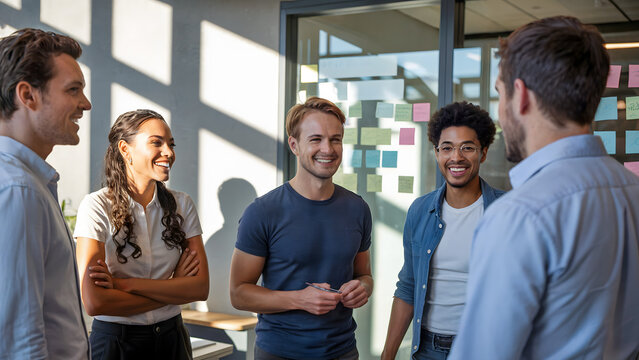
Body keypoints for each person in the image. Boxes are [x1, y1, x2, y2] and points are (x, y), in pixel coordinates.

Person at [449, 16, 639, 359]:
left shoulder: (520, 215)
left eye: (500, 94)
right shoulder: (632, 191)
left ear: (520, 96)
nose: (500, 114)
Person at [229, 96, 373, 359]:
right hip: (280, 352)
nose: (328, 149)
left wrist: (362, 288)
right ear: (294, 145)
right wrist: (298, 299)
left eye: (335, 139)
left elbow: (364, 275)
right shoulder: (262, 212)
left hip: (343, 351)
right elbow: (239, 294)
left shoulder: (358, 208)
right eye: (316, 139)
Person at [74, 109, 209, 359]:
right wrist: (171, 288)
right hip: (116, 342)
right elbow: (95, 302)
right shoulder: (96, 206)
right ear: (125, 150)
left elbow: (200, 288)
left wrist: (122, 285)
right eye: (156, 142)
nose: (168, 152)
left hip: (173, 339)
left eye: (170, 143)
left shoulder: (182, 204)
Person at [381, 102, 504, 360]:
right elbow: (408, 287)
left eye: (467, 147)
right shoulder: (420, 211)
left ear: (483, 153)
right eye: (446, 148)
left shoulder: (506, 212)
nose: (456, 157)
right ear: (436, 153)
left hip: (483, 348)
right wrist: (388, 355)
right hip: (427, 349)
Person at [0, 28, 92, 359]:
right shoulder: (18, 189)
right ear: (28, 95)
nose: (86, 104)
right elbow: (18, 340)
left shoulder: (26, 181)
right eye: (73, 90)